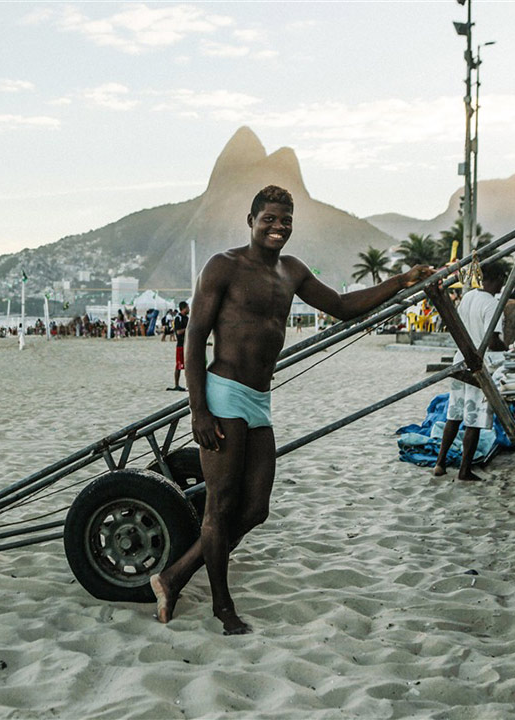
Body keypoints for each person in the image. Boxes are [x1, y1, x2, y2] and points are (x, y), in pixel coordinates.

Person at [150, 185, 433, 635]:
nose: (278, 227)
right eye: (270, 219)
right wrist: (197, 410)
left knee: (255, 508)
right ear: (251, 220)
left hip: (259, 399)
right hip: (223, 393)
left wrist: (400, 281)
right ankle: (223, 609)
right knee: (220, 508)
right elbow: (195, 336)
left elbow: (341, 307)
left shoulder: (292, 272)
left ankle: (173, 577)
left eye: (286, 221)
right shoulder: (223, 266)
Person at [432, 261, 510, 481]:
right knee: (472, 419)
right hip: (478, 364)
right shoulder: (491, 304)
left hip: (460, 359)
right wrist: (510, 348)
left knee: (453, 414)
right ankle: (465, 470)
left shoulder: (467, 297)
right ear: (499, 279)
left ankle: (440, 463)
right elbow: (493, 342)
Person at [167, 302, 189, 391]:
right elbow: (178, 332)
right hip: (180, 345)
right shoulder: (178, 318)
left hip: (187, 345)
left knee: (188, 365)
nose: (189, 309)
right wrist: (188, 328)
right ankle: (177, 384)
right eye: (187, 308)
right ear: (183, 308)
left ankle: (188, 384)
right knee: (179, 365)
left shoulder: (187, 318)